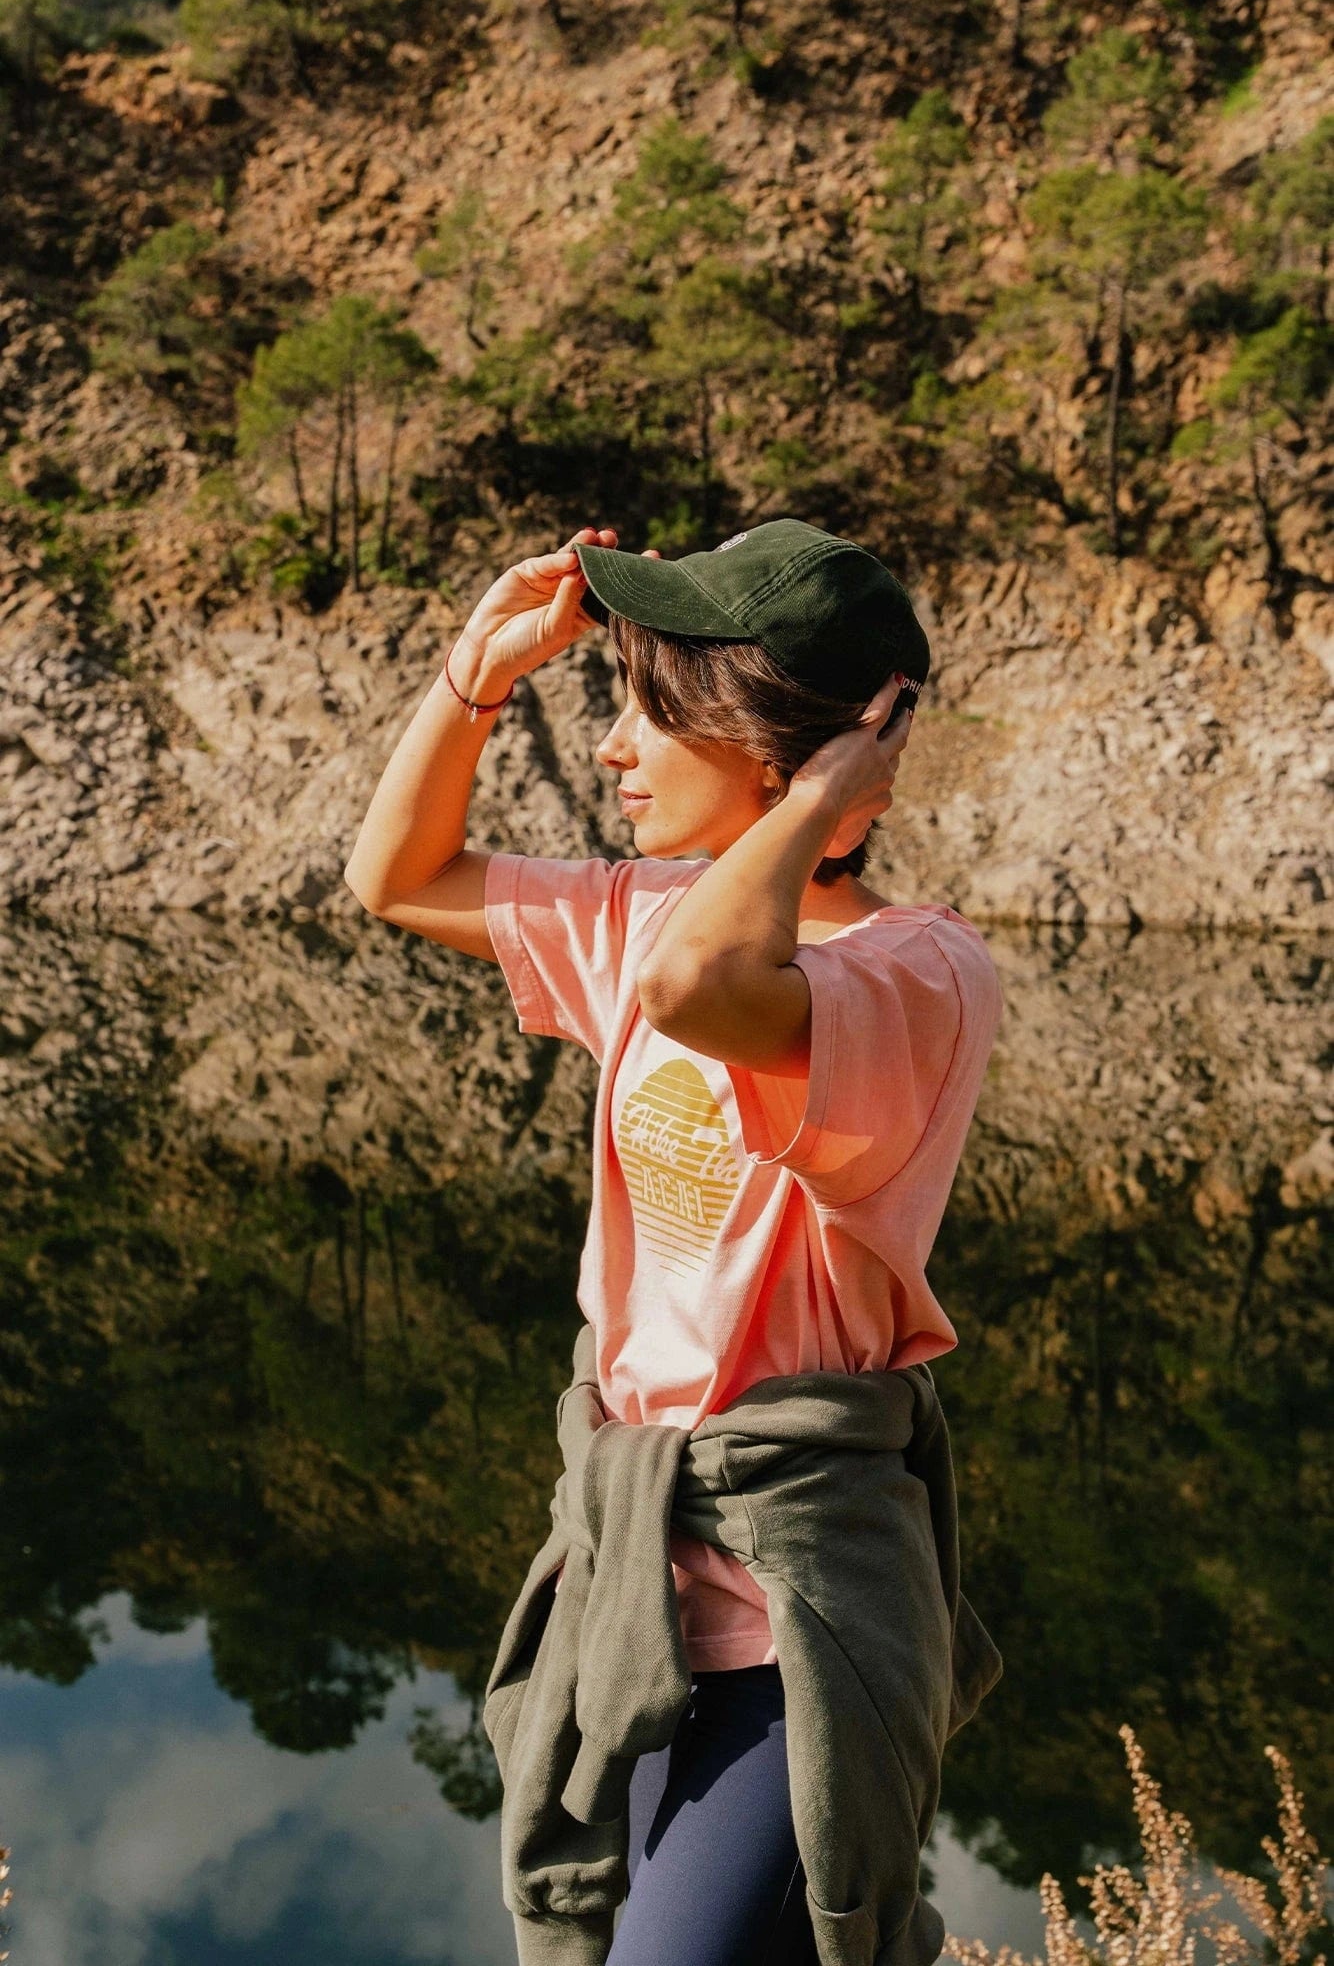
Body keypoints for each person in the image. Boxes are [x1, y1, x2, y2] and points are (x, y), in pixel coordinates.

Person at [344, 518, 1004, 1966]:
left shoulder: (916, 973)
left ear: (775, 744)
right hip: (631, 1580)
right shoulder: (644, 915)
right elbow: (394, 876)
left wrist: (825, 790)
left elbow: (701, 988)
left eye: (654, 711)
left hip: (797, 1607)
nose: (612, 749)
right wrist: (476, 670)